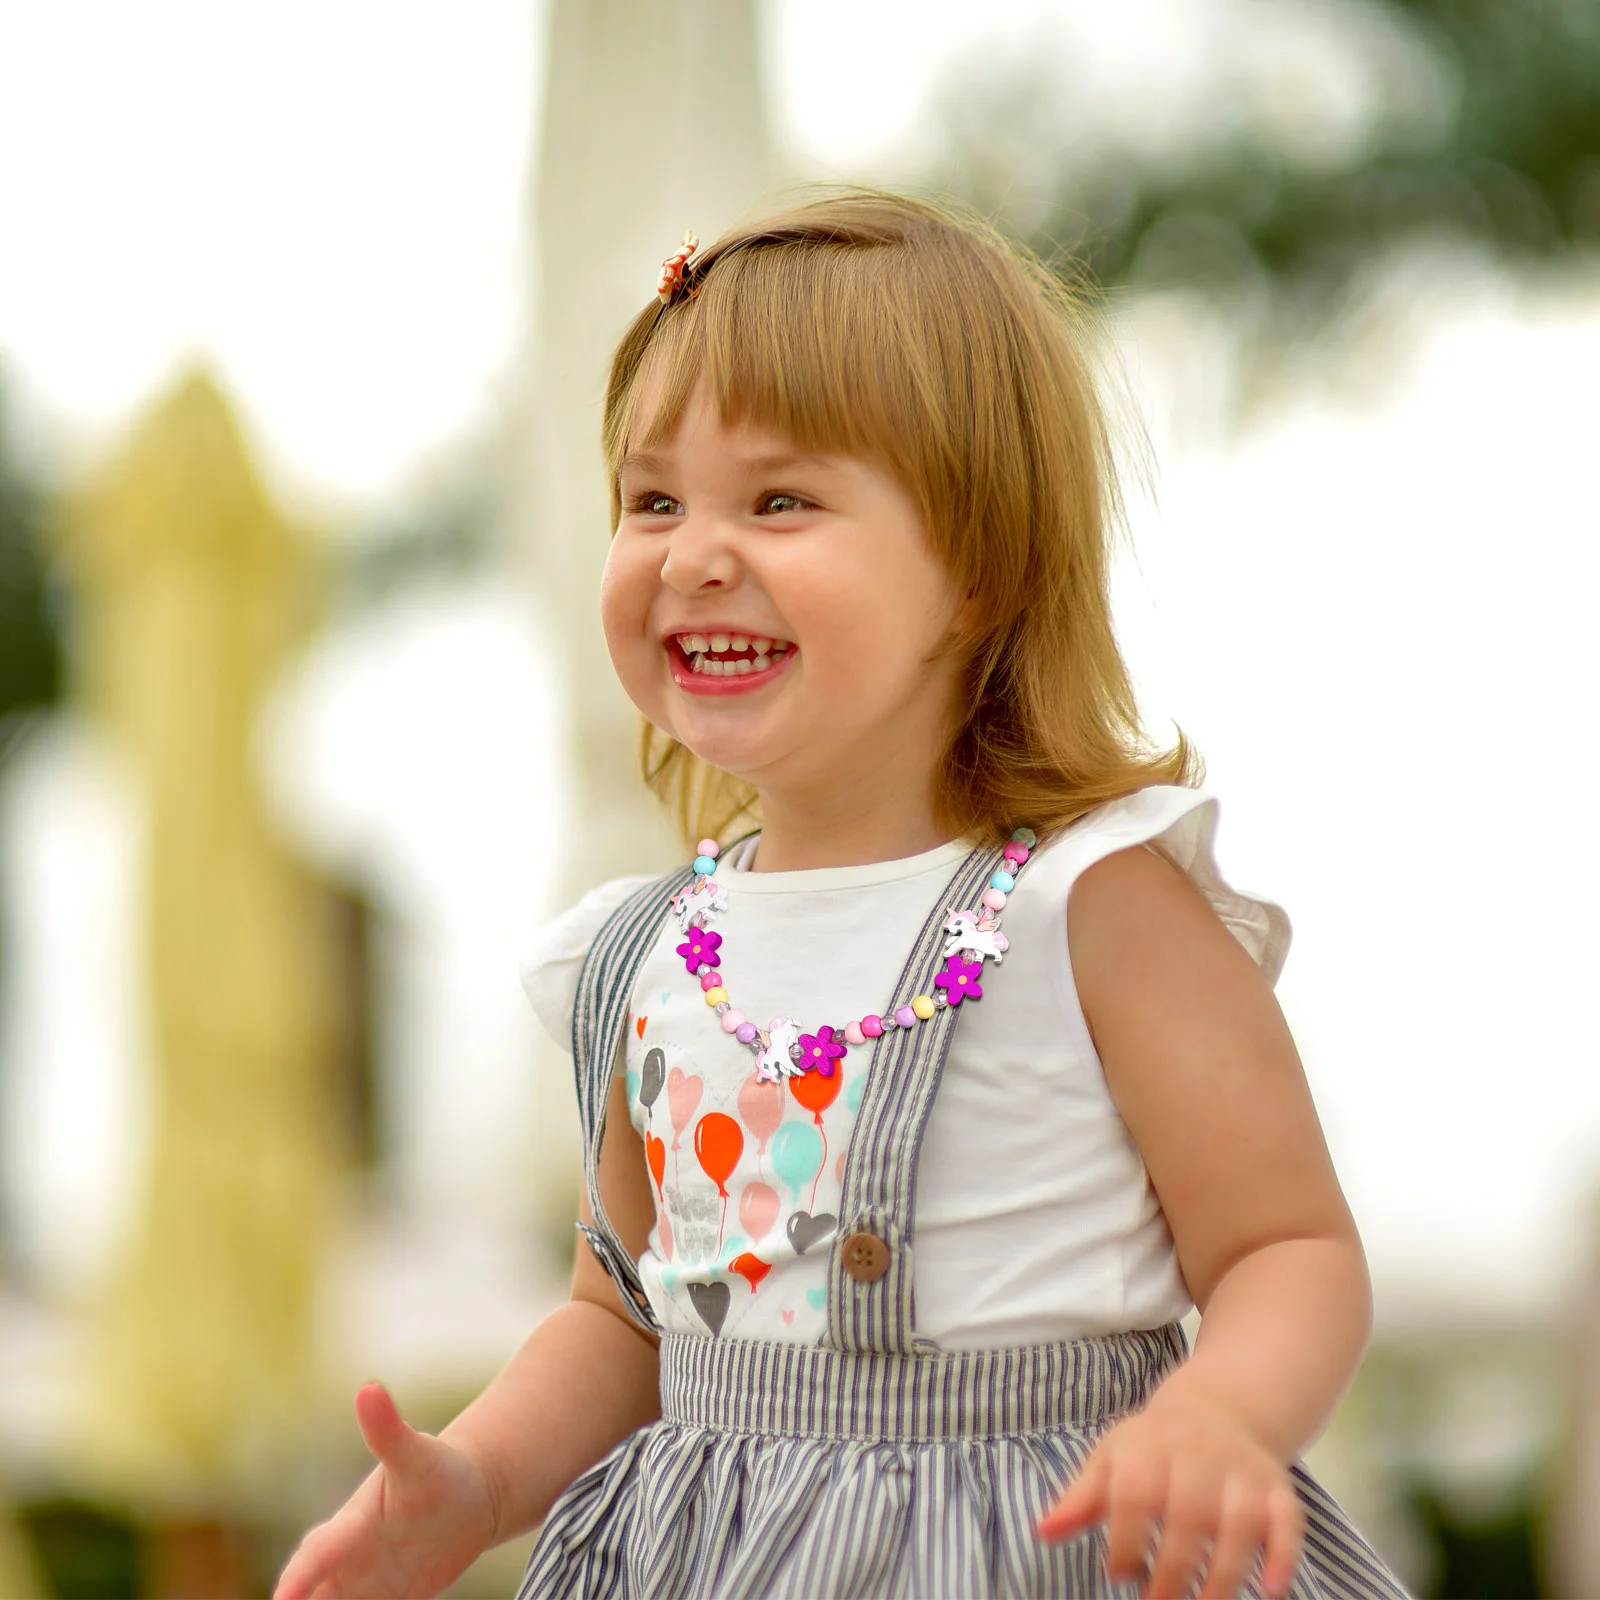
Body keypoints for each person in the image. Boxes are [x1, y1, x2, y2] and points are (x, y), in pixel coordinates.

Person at [274, 191, 1410, 1600]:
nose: (694, 552)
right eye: (653, 500)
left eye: (780, 499)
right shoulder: (639, 957)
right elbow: (627, 1316)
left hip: (1050, 1550)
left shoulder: (1090, 906)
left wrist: (1223, 1416)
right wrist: (484, 1479)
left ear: (978, 571)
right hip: (716, 1558)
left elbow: (1287, 1245)